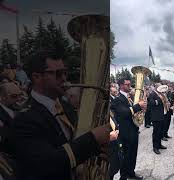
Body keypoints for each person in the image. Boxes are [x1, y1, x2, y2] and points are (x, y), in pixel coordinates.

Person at [11, 50, 110, 180]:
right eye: (57, 74)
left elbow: (75, 141)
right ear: (37, 77)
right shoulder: (24, 118)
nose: (64, 78)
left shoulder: (65, 106)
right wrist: (94, 138)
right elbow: (49, 163)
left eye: (65, 73)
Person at [111, 78, 146, 180]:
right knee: (126, 156)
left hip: (134, 130)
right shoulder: (117, 99)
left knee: (133, 154)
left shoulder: (129, 98)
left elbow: (134, 112)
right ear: (121, 85)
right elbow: (124, 113)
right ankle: (124, 177)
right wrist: (138, 106)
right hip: (125, 133)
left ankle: (131, 172)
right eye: (127, 84)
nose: (130, 86)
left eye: (130, 84)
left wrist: (142, 108)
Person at [148, 84, 168, 154]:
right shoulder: (152, 94)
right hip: (155, 116)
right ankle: (155, 147)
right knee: (156, 132)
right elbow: (151, 103)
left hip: (162, 115)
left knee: (160, 131)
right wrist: (160, 100)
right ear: (156, 87)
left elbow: (165, 102)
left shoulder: (161, 94)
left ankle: (159, 144)